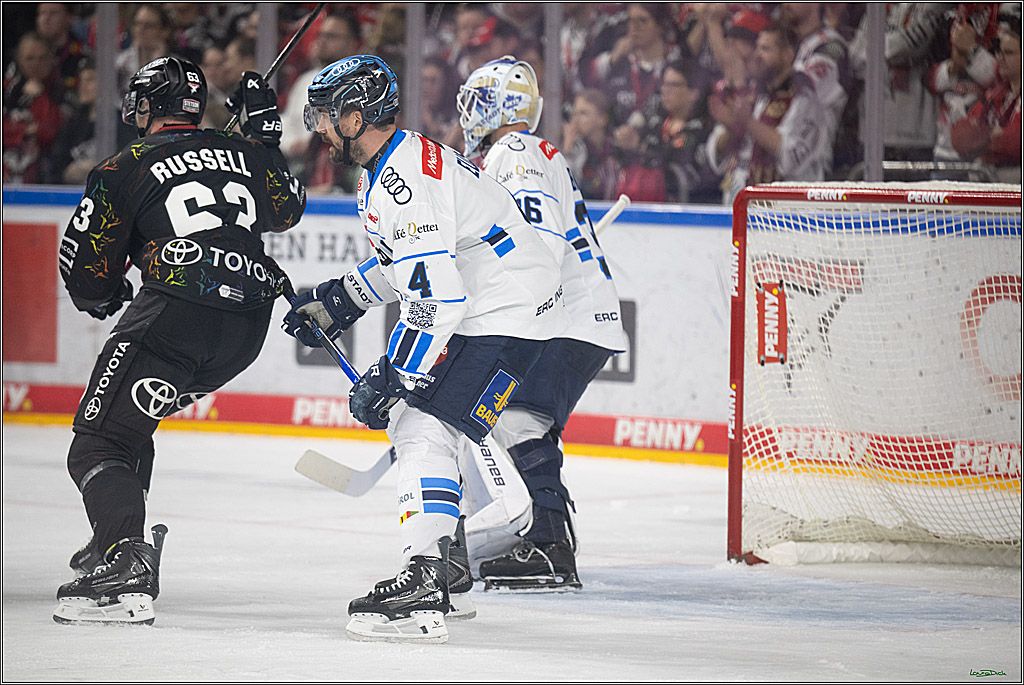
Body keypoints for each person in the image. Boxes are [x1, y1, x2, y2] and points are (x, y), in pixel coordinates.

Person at [282, 54, 568, 642]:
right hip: (508, 311)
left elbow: (437, 297)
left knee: (419, 426)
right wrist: (340, 300)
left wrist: (394, 374)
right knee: (429, 427)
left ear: (357, 118)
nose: (320, 128)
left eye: (329, 116)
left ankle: (425, 579)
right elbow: (410, 269)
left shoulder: (403, 179)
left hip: (502, 315)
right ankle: (446, 572)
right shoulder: (394, 166)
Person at [52, 56, 306, 625]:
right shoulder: (239, 148)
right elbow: (286, 211)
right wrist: (263, 135)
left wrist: (106, 294)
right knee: (129, 425)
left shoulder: (125, 163)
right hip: (246, 329)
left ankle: (124, 560)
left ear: (147, 106)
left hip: (176, 316)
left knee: (97, 443)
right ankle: (114, 534)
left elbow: (88, 277)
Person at [456, 56, 625, 590]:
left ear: (502, 107)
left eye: (480, 101)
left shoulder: (515, 150)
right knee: (510, 418)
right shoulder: (524, 153)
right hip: (570, 316)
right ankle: (543, 536)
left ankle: (550, 544)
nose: (471, 114)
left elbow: (541, 242)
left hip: (560, 317)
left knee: (516, 420)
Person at [707, 22, 826, 205]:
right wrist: (731, 129)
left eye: (765, 49)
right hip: (735, 210)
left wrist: (747, 122)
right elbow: (716, 158)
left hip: (785, 218)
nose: (757, 55)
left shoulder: (803, 99)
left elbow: (791, 156)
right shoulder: (749, 95)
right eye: (757, 48)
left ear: (788, 55)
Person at [2, 32, 65, 184]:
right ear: (19, 60)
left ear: (51, 59)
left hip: (43, 178)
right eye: (30, 58)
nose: (36, 63)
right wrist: (23, 131)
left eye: (42, 58)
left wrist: (40, 97)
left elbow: (51, 133)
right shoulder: (7, 89)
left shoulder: (62, 91)